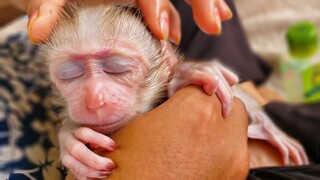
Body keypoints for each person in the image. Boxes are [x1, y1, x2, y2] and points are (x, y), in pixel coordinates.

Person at [3, 0, 320, 179]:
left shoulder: (168, 64)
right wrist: (70, 138)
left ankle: (264, 99)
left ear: (165, 60)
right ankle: (266, 101)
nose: (94, 99)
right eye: (69, 73)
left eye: (117, 68)